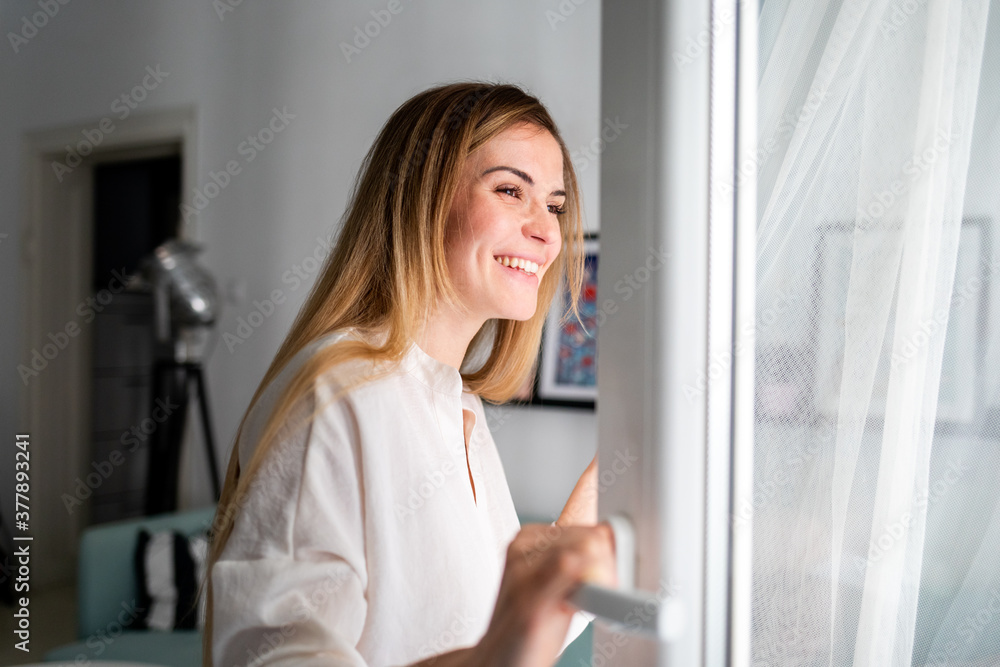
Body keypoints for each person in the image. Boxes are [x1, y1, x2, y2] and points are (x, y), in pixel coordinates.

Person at [203, 82, 617, 667]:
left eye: (553, 205)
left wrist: (570, 538)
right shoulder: (339, 393)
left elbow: (488, 634)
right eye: (508, 190)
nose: (547, 232)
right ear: (421, 200)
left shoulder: (458, 408)